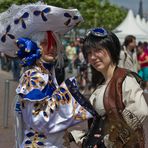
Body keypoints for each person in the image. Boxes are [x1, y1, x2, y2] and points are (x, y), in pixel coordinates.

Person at [0, 3, 93, 147]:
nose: (51, 48)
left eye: (54, 44)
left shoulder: (47, 75)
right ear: (34, 46)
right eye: (44, 43)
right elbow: (38, 121)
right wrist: (67, 93)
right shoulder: (33, 76)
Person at [71, 27, 148, 148]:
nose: (92, 57)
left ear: (111, 50)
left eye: (98, 50)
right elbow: (96, 124)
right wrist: (75, 136)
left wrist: (110, 141)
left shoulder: (125, 79)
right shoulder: (101, 85)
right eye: (89, 53)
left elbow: (140, 111)